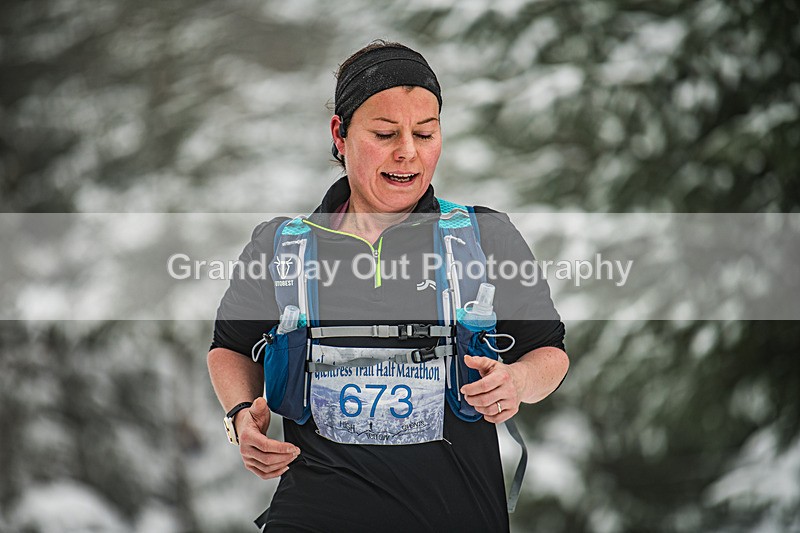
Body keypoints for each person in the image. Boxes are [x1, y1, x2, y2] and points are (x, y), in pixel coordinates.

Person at [207, 40, 569, 532]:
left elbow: (548, 352)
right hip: (315, 515)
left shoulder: (485, 238)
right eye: (385, 133)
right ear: (340, 133)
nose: (408, 152)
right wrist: (241, 418)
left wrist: (519, 382)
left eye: (425, 133)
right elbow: (228, 347)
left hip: (456, 514)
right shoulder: (282, 247)